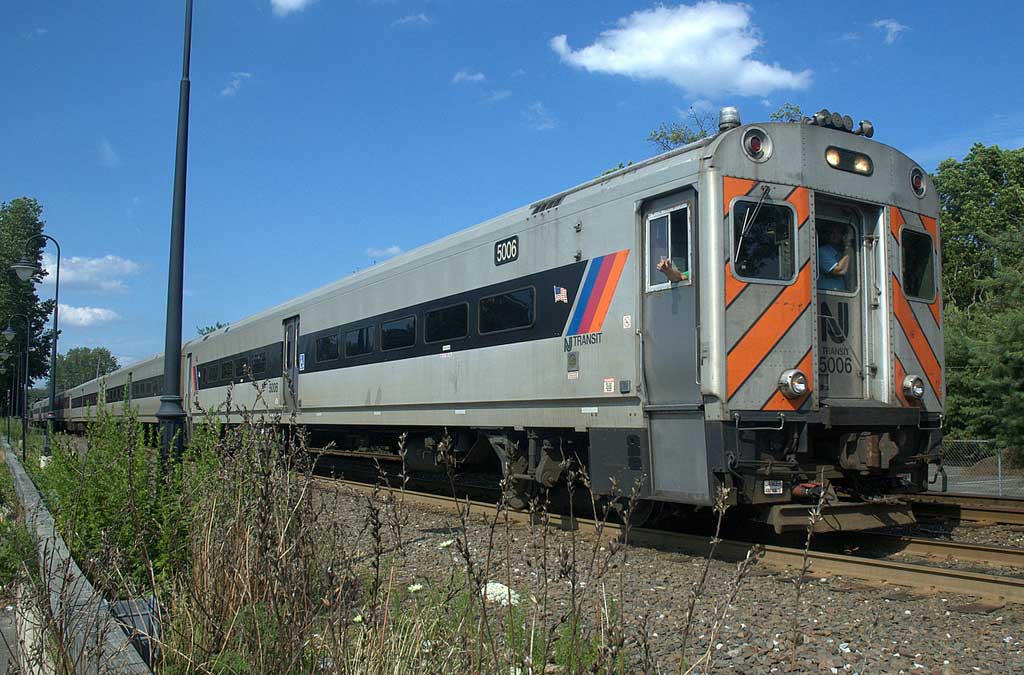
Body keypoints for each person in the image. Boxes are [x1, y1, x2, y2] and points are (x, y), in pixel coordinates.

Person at [817, 223, 851, 291]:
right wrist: (848, 246)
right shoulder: (823, 251)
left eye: (838, 232)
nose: (834, 235)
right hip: (827, 295)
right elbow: (839, 270)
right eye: (831, 232)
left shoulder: (840, 253)